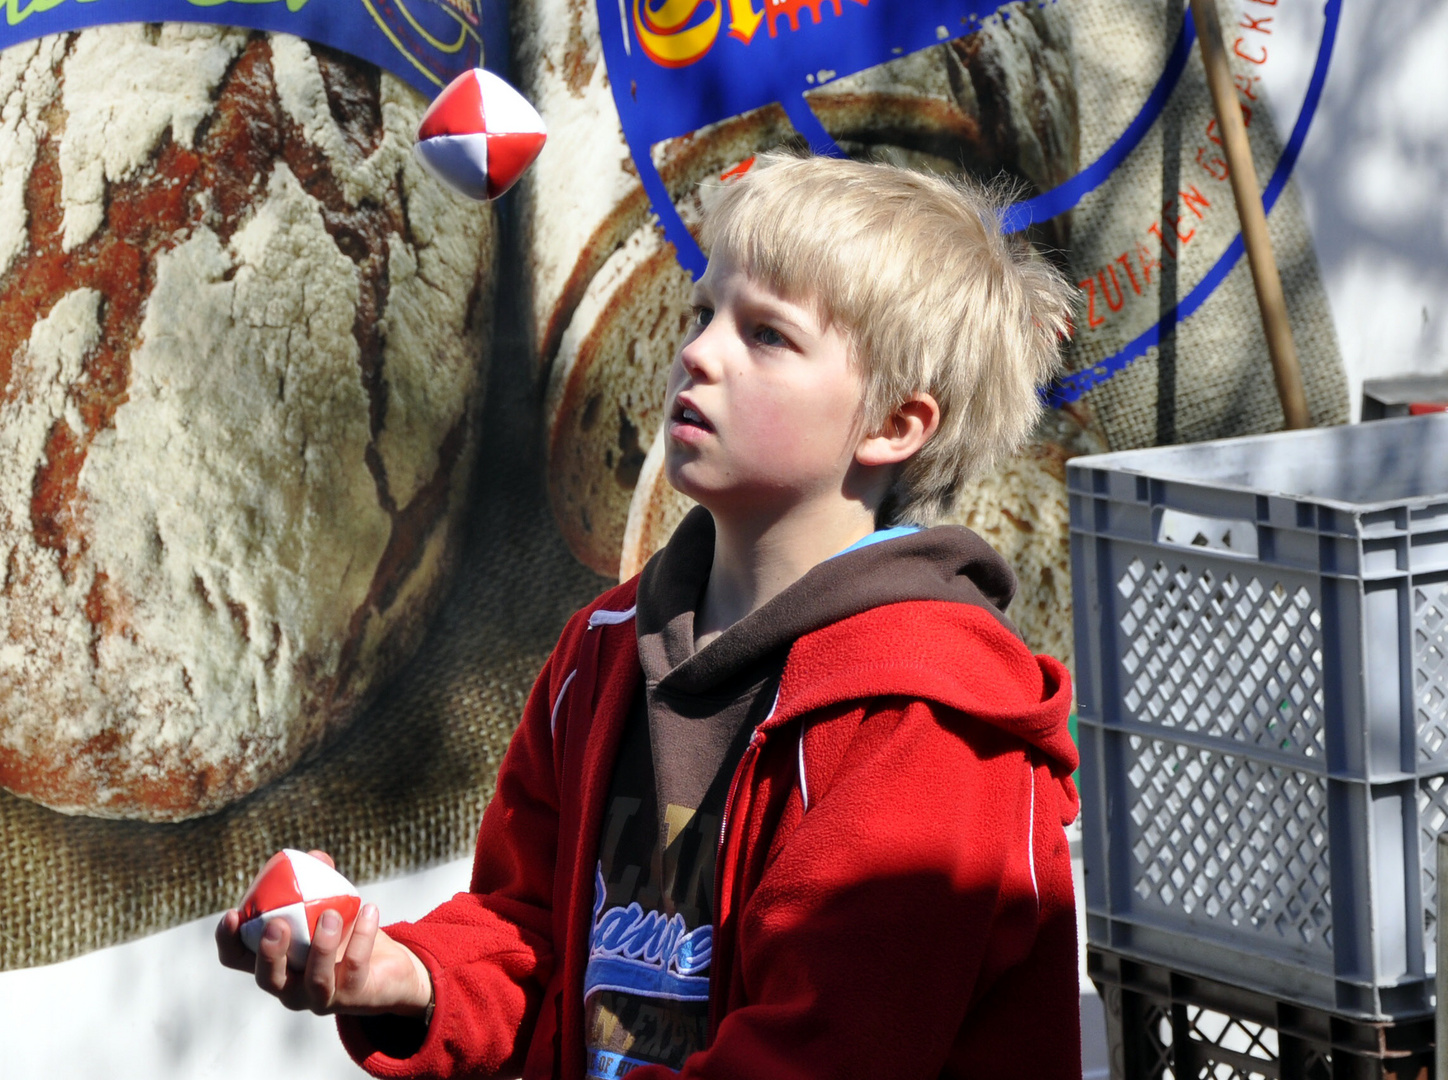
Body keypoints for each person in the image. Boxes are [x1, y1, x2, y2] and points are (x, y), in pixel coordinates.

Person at [217, 151, 1082, 1080]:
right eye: (705, 312)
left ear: (894, 426)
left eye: (768, 336)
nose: (698, 352)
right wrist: (410, 974)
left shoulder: (924, 725)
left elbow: (814, 1055)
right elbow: (530, 930)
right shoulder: (601, 652)